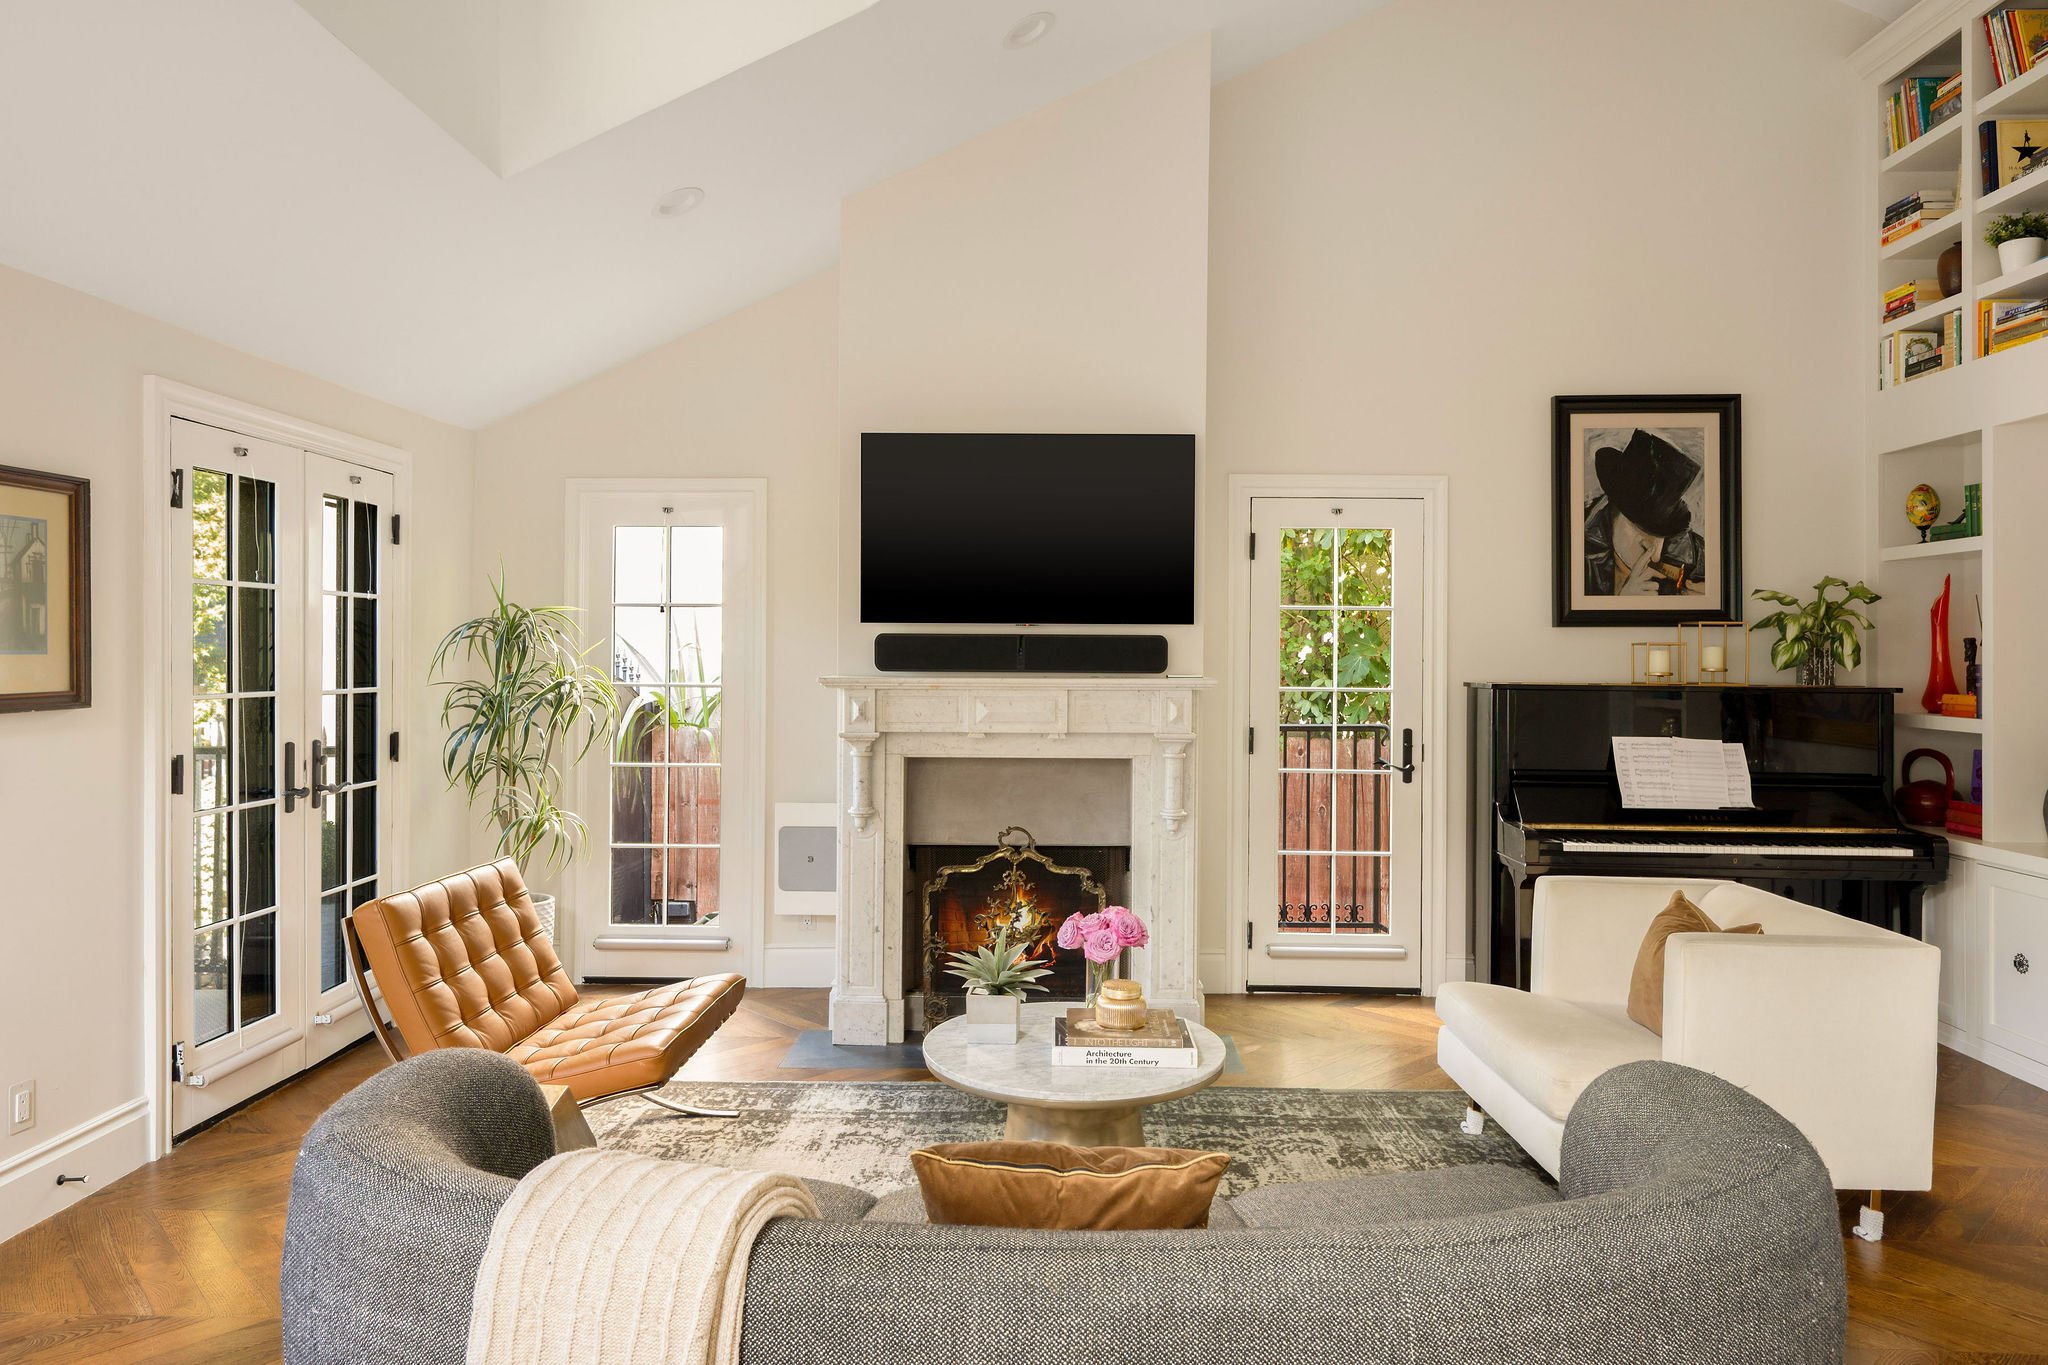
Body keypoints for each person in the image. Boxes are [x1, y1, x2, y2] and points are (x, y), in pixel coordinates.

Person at [1583, 428, 1705, 597]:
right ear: (1613, 512)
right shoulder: (1575, 547)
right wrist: (1622, 604)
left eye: (1661, 533)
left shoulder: (1696, 555)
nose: (1655, 556)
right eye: (1641, 530)